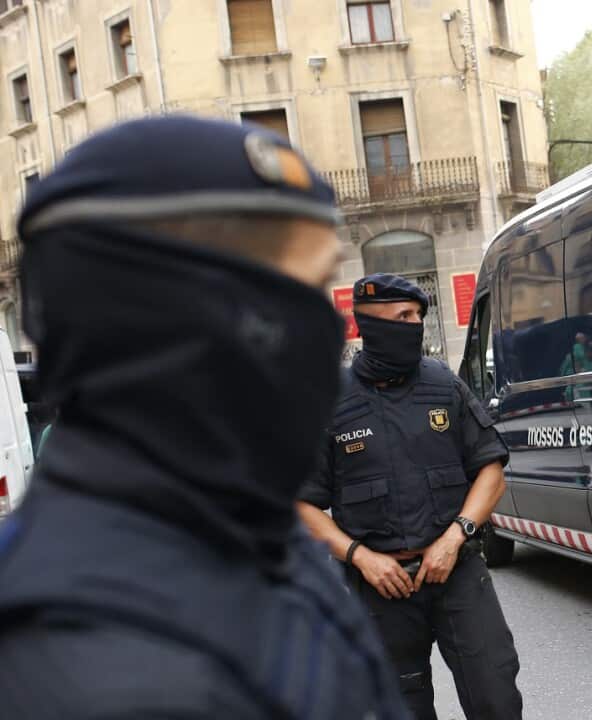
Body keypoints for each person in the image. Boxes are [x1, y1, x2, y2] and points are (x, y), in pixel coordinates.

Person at [0, 117, 409, 718]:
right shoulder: (77, 662)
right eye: (310, 287)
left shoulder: (249, 531)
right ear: (184, 313)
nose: (335, 327)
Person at [297, 273, 521, 720]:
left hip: (455, 572)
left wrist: (454, 537)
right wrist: (360, 556)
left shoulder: (443, 385)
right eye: (403, 317)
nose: (415, 325)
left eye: (419, 315)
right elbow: (302, 505)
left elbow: (491, 472)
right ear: (369, 324)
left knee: (495, 696)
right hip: (381, 590)